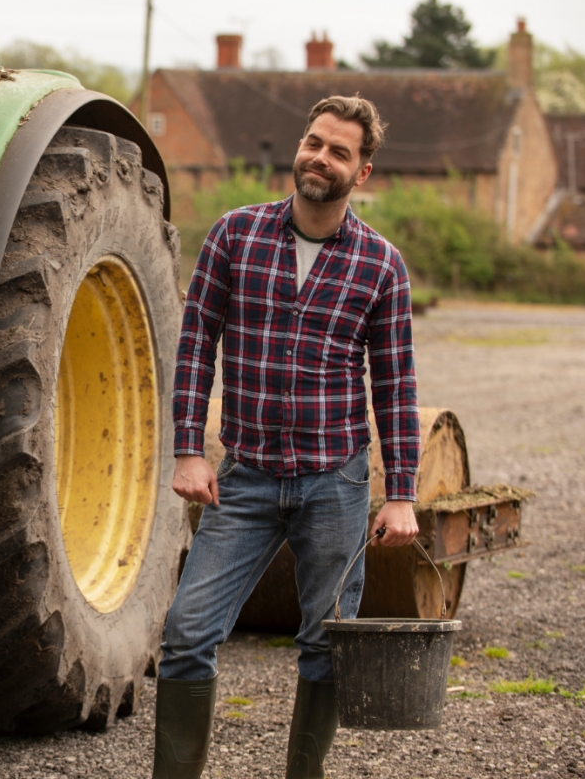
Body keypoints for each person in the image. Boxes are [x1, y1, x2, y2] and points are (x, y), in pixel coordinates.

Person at [152, 95, 421, 779]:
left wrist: (401, 495)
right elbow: (194, 347)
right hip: (244, 478)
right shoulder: (233, 235)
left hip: (335, 480)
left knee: (326, 643)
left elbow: (393, 386)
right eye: (313, 142)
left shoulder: (380, 265)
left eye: (338, 151)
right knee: (186, 633)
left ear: (361, 173)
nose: (319, 157)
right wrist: (188, 448)